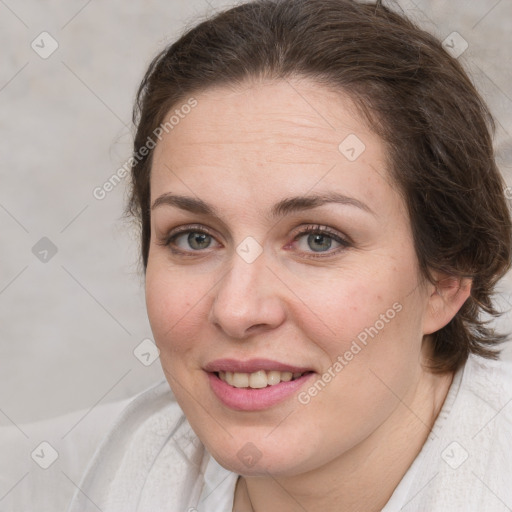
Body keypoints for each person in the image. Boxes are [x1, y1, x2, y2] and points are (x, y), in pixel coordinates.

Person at [67, 0, 512, 510]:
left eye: (318, 239)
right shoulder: (123, 466)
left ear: (447, 277)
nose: (236, 310)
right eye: (194, 237)